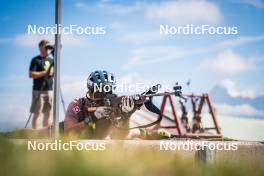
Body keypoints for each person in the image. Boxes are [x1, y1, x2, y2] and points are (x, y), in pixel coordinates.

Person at [63, 70, 137, 139]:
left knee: (130, 137)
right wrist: (92, 118)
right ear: (90, 90)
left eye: (108, 91)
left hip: (101, 144)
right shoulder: (77, 105)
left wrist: (127, 116)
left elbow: (119, 135)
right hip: (81, 144)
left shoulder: (113, 104)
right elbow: (68, 133)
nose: (105, 94)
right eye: (100, 91)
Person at [29, 40, 54, 129]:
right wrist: (45, 73)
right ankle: (34, 134)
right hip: (38, 89)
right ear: (40, 47)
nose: (47, 48)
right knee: (37, 112)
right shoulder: (36, 60)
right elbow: (31, 74)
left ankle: (45, 133)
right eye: (45, 46)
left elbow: (54, 73)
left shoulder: (51, 60)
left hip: (49, 89)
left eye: (48, 46)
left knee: (48, 112)